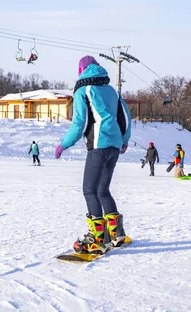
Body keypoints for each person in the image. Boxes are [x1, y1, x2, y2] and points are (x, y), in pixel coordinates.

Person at [54, 55, 131, 254]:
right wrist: (123, 140)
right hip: (114, 147)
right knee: (103, 190)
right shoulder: (112, 90)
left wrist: (63, 144)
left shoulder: (83, 90)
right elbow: (125, 118)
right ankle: (117, 234)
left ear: (81, 72)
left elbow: (79, 124)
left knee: (90, 190)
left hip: (98, 146)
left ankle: (98, 239)